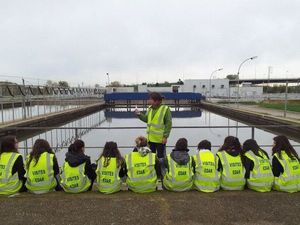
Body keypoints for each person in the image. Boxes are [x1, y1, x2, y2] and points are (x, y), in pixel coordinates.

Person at [135, 92, 172, 159]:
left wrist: (165, 137)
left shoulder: (165, 109)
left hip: (160, 140)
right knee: (151, 157)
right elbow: (146, 119)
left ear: (156, 101)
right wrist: (139, 114)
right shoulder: (150, 109)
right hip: (150, 139)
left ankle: (160, 169)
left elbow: (168, 124)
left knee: (161, 157)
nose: (149, 101)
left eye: (150, 99)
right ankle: (153, 169)